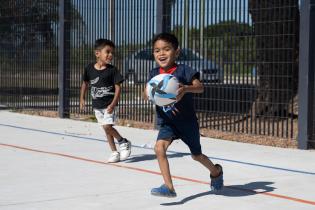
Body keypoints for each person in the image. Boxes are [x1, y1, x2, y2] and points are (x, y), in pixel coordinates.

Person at [145, 33, 224, 197]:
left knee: (197, 156)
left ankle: (216, 171)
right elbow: (146, 91)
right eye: (157, 50)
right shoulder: (154, 74)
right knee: (159, 148)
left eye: (166, 49)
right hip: (168, 123)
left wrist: (186, 89)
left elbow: (200, 87)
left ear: (177, 52)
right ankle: (169, 187)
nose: (161, 53)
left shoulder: (184, 71)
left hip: (187, 123)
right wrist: (147, 93)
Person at [80, 38, 131, 163]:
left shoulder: (112, 70)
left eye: (112, 53)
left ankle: (123, 141)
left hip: (109, 105)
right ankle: (114, 152)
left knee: (108, 126)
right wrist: (82, 98)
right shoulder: (89, 69)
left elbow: (118, 88)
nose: (110, 55)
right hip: (97, 106)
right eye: (107, 52)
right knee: (106, 129)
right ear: (97, 53)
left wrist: (113, 104)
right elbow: (85, 83)